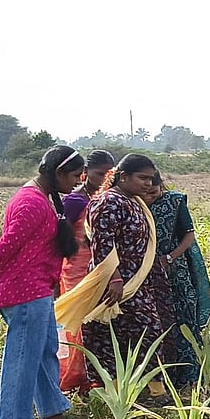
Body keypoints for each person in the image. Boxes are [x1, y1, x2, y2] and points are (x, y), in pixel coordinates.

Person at [0, 146, 85, 419]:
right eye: (73, 176)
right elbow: (7, 247)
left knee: (44, 351)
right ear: (57, 173)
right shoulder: (31, 202)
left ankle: (53, 413)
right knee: (23, 357)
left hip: (36, 288)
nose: (77, 183)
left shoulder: (42, 197)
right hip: (24, 291)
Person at [57, 154, 175, 398]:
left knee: (142, 332)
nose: (148, 184)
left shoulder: (133, 201)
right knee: (115, 335)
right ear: (123, 176)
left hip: (137, 280)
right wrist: (115, 279)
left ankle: (149, 389)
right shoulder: (109, 202)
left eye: (151, 179)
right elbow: (103, 245)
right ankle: (115, 392)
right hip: (115, 282)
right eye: (142, 178)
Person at [145, 171, 210, 389]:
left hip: (176, 270)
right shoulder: (134, 204)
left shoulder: (174, 201)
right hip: (144, 272)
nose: (149, 196)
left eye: (153, 191)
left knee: (183, 319)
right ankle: (160, 377)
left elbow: (188, 235)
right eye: (145, 192)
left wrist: (169, 258)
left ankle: (189, 376)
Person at [58, 149, 116, 392]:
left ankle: (98, 375)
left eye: (109, 174)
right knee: (79, 324)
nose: (104, 178)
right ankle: (77, 376)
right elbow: (59, 237)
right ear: (85, 174)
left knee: (99, 323)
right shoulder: (74, 202)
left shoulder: (108, 199)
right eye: (99, 173)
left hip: (101, 268)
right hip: (77, 269)